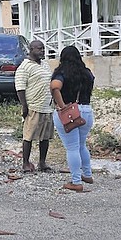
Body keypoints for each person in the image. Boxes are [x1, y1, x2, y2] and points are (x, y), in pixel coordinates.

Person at [50, 45, 95, 192]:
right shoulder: (87, 73)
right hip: (87, 111)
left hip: (70, 112)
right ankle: (87, 174)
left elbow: (55, 86)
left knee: (72, 148)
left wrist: (62, 106)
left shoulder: (62, 73)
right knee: (82, 145)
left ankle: (76, 181)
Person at [15, 40, 54, 173]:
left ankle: (42, 163)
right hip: (33, 106)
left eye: (43, 48)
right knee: (29, 136)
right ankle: (25, 163)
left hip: (47, 106)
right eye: (39, 49)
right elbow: (20, 87)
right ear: (31, 50)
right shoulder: (24, 67)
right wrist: (24, 106)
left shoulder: (45, 65)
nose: (42, 51)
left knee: (45, 137)